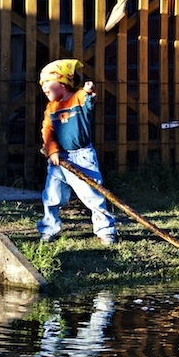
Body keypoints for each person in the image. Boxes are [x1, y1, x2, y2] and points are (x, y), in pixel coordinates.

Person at [37, 59, 117, 245]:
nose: (43, 88)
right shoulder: (51, 108)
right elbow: (47, 131)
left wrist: (90, 90)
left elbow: (88, 97)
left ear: (63, 83)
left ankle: (105, 230)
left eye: (47, 83)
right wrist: (52, 151)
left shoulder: (77, 98)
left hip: (82, 157)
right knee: (52, 196)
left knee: (92, 195)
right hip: (59, 160)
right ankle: (48, 229)